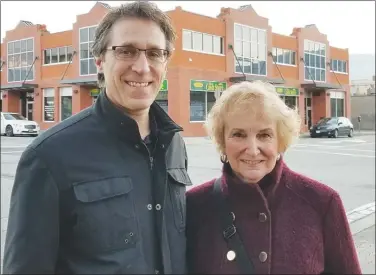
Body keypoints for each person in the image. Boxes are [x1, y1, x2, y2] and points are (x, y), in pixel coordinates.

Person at [3, 2, 192, 274]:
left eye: (154, 53)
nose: (142, 67)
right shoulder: (49, 156)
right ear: (100, 61)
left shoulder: (173, 143)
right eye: (126, 51)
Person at [186, 81, 361, 274]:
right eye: (238, 134)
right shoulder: (194, 206)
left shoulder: (323, 203)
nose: (252, 150)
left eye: (264, 135)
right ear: (222, 141)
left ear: (280, 140)